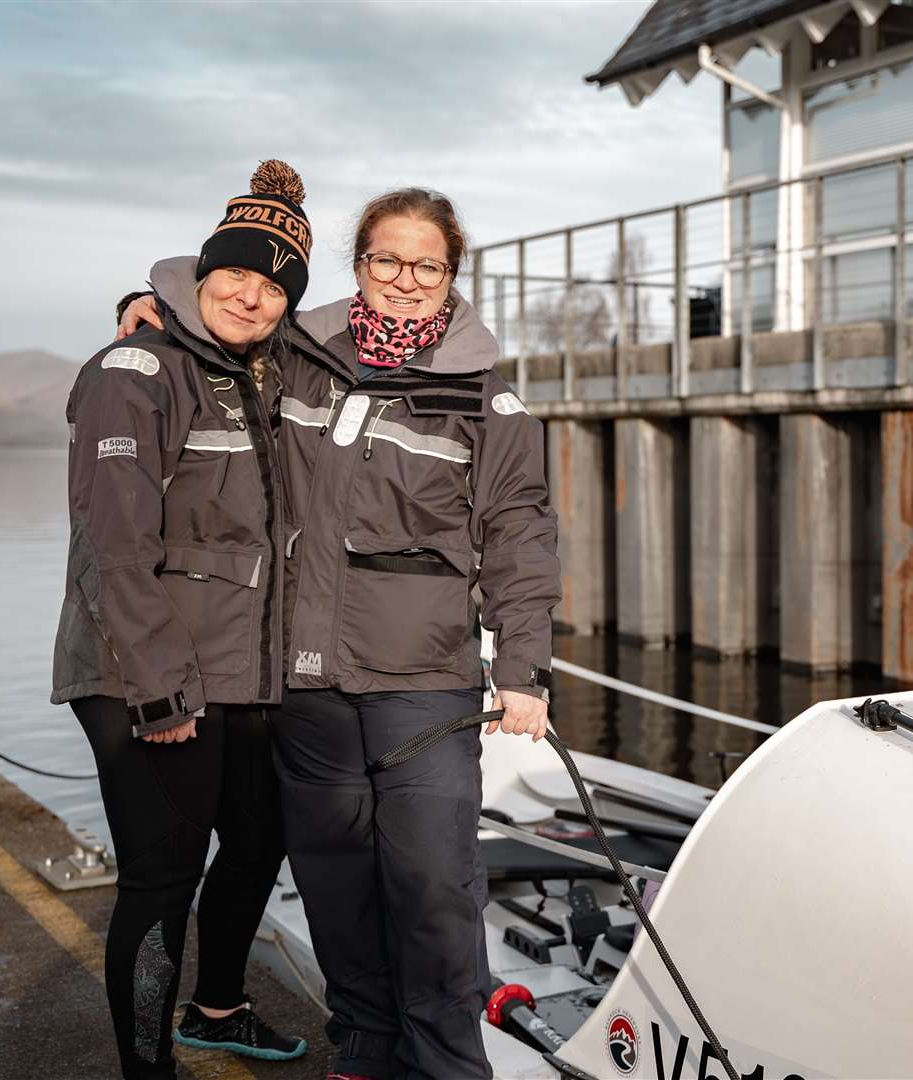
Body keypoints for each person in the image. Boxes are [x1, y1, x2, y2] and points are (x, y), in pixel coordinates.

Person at [122, 187, 560, 1080]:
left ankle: (446, 1062)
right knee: (333, 879)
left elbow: (520, 536)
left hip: (423, 682)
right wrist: (147, 313)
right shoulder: (296, 357)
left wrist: (524, 670)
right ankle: (363, 1045)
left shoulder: (488, 400)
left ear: (451, 278)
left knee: (434, 885)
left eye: (425, 265)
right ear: (359, 265)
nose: (404, 280)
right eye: (385, 260)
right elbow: (222, 317)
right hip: (305, 681)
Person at [52, 161, 311, 1078]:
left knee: (258, 840)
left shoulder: (264, 371)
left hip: (240, 669)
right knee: (162, 880)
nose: (251, 293)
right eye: (235, 271)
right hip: (140, 673)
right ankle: (146, 1068)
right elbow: (115, 544)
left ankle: (219, 1008)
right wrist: (161, 688)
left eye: (274, 283)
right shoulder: (139, 368)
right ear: (200, 274)